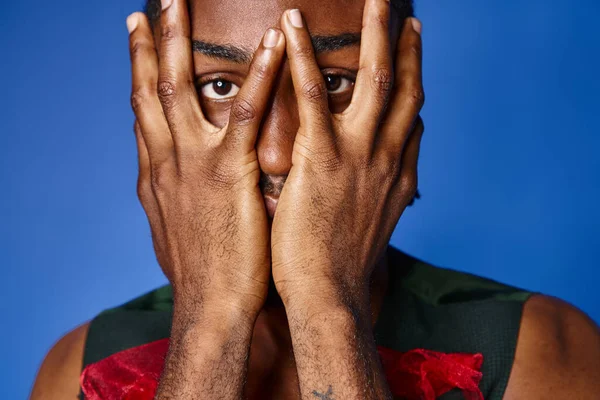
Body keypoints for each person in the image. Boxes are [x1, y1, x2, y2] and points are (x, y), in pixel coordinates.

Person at [30, 0, 600, 399]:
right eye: (221, 86)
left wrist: (326, 305)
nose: (278, 154)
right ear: (155, 102)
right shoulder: (79, 370)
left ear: (401, 92)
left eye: (331, 82)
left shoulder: (538, 351)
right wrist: (210, 321)